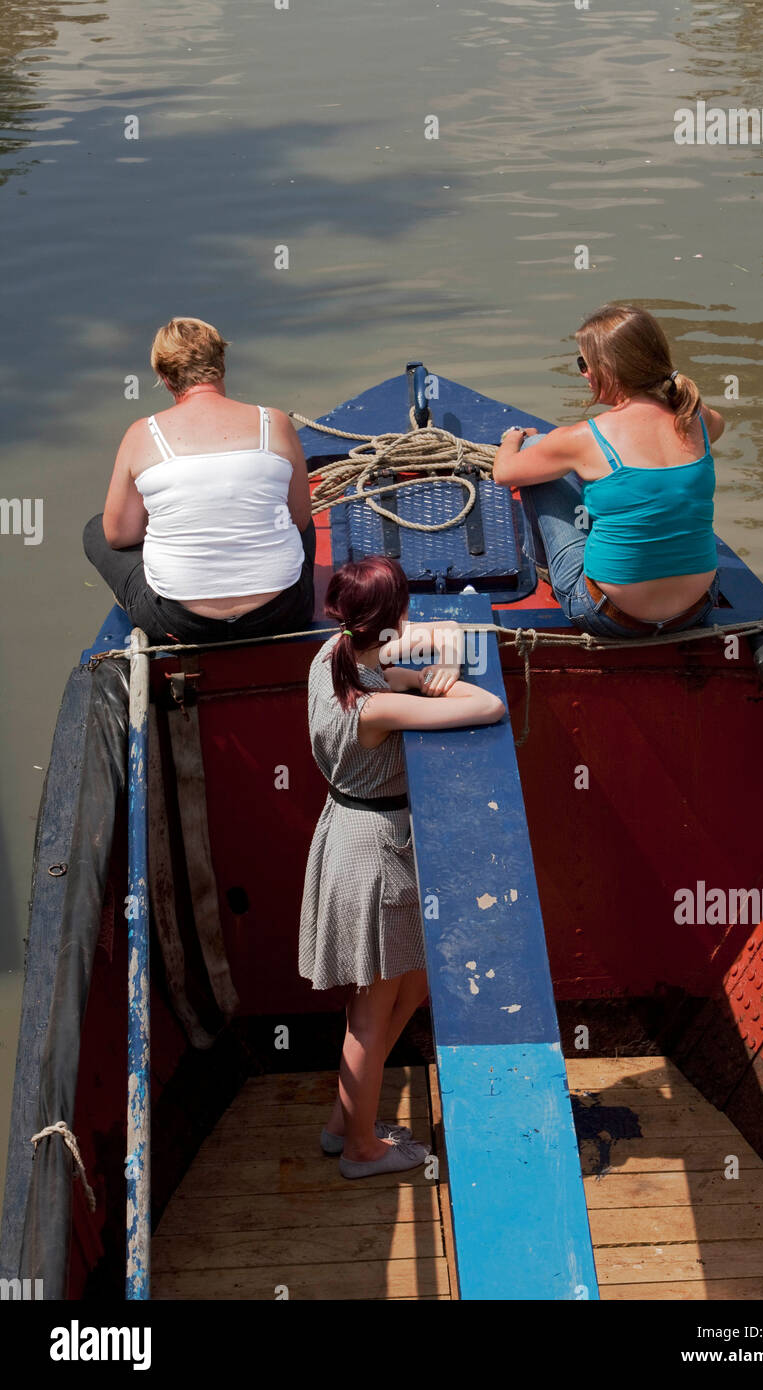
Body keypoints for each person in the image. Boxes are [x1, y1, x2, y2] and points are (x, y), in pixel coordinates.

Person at [300, 556, 504, 1179]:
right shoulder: (376, 706)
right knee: (368, 1015)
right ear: (386, 622)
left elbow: (449, 637)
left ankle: (347, 1120)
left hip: (344, 834)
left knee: (412, 981)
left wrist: (432, 655)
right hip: (378, 856)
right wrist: (436, 681)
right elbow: (486, 707)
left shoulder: (330, 654)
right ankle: (361, 1150)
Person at [492, 303, 725, 636]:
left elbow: (505, 473)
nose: (583, 374)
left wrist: (513, 438)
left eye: (584, 364)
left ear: (609, 369)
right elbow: (717, 427)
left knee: (534, 449)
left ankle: (544, 571)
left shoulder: (583, 438)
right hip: (695, 608)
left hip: (608, 614)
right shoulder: (696, 418)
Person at [83, 316, 315, 645]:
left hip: (180, 622)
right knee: (294, 519)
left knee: (97, 529)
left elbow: (119, 535)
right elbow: (301, 518)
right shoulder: (273, 423)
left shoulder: (141, 435)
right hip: (281, 612)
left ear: (164, 377)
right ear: (221, 363)